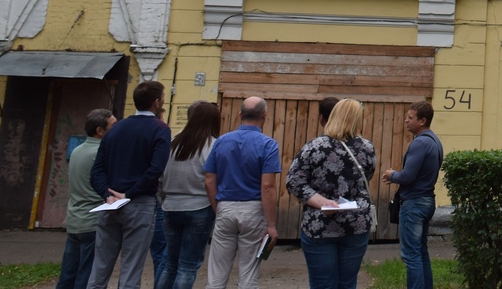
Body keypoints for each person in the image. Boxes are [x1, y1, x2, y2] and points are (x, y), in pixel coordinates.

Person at [86, 81, 171, 289]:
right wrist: (129, 194)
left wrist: (108, 195)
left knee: (100, 268)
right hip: (139, 204)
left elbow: (97, 170)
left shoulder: (116, 128)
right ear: (157, 102)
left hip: (109, 205)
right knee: (131, 270)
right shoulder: (160, 129)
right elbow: (155, 169)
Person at [286, 99, 377, 289]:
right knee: (347, 283)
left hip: (320, 225)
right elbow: (365, 179)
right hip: (356, 225)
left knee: (323, 284)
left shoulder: (315, 146)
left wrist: (322, 202)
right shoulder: (367, 148)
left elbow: (294, 181)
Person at [203, 97, 280, 289]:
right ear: (265, 115)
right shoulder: (268, 145)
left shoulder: (221, 142)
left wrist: (217, 207)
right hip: (253, 209)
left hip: (225, 206)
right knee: (249, 273)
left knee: (216, 274)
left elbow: (209, 180)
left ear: (240, 115)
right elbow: (268, 186)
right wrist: (271, 224)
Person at [156, 101, 220, 289]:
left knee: (170, 264)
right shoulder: (213, 145)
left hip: (170, 207)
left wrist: (163, 200)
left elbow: (159, 178)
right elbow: (213, 180)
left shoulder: (173, 142)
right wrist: (216, 207)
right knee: (188, 266)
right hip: (199, 207)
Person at [381, 101, 443, 289]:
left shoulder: (420, 143)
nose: (406, 121)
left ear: (422, 121)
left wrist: (392, 175)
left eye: (410, 118)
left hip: (414, 204)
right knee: (420, 251)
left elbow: (408, 176)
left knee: (411, 255)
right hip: (427, 201)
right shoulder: (435, 141)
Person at [56, 108, 116, 289]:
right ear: (100, 131)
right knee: (88, 276)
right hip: (93, 221)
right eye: (114, 125)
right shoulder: (102, 153)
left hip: (75, 219)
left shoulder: (78, 150)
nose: (118, 128)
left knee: (68, 274)